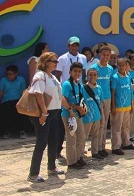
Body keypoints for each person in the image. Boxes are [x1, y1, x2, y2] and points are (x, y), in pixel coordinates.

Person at [27, 52, 64, 182]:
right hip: (45, 113)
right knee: (41, 142)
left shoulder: (52, 77)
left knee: (54, 140)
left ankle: (51, 167)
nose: (56, 63)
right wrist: (44, 113)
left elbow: (59, 95)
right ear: (46, 62)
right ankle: (33, 173)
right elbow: (38, 94)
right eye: (54, 61)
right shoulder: (40, 75)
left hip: (54, 112)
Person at [61, 62, 88, 169]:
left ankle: (78, 157)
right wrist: (72, 109)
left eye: (79, 71)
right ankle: (71, 162)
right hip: (68, 115)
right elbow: (63, 99)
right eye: (75, 71)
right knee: (71, 138)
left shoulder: (79, 84)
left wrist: (84, 107)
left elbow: (81, 99)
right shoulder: (67, 85)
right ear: (70, 72)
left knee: (81, 136)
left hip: (77, 115)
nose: (77, 73)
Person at [110, 58, 134, 155]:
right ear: (117, 66)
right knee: (117, 127)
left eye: (123, 65)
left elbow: (130, 91)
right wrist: (113, 106)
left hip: (127, 105)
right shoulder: (115, 77)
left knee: (126, 126)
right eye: (120, 65)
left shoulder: (128, 76)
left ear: (127, 66)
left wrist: (131, 104)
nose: (122, 67)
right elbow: (113, 92)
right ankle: (116, 146)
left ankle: (126, 142)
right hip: (118, 106)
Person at [90, 45, 114, 159]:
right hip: (97, 99)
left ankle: (102, 147)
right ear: (100, 55)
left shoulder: (110, 68)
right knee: (99, 124)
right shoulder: (94, 68)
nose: (106, 57)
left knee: (104, 124)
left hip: (107, 98)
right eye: (104, 55)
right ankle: (96, 148)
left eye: (108, 55)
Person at [82, 67, 104, 159]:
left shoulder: (99, 88)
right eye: (90, 75)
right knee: (84, 136)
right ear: (87, 76)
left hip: (97, 115)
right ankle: (80, 153)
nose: (92, 77)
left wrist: (102, 116)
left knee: (96, 135)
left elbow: (101, 103)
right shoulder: (83, 88)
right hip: (87, 117)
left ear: (97, 76)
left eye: (94, 75)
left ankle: (95, 152)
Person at [0, 65, 27, 139]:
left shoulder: (21, 80)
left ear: (16, 74)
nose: (9, 76)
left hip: (18, 100)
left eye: (11, 74)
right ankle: (7, 131)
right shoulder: (3, 80)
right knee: (6, 113)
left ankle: (22, 130)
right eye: (7, 74)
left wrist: (23, 102)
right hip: (6, 101)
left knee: (20, 112)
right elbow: (1, 92)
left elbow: (23, 92)